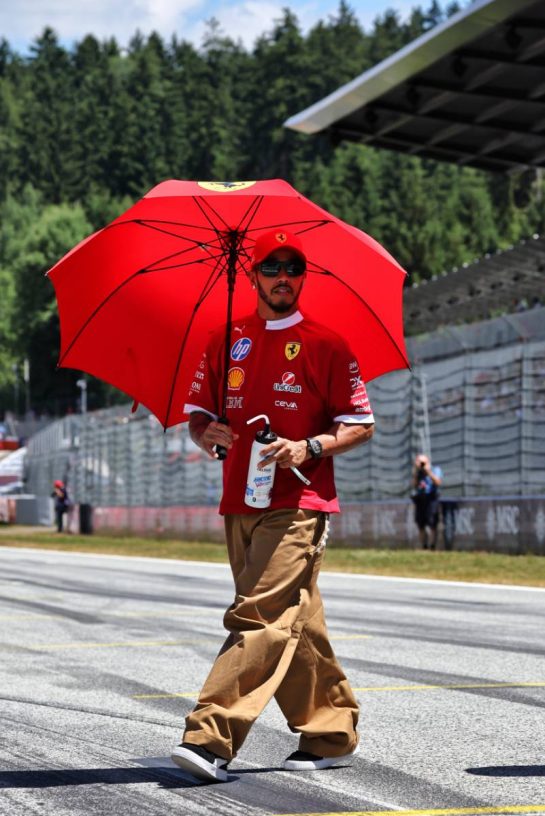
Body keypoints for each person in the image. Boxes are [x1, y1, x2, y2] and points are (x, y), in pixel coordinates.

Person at [171, 229, 375, 782]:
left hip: (300, 500)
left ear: (302, 277)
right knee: (295, 619)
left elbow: (360, 424)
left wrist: (309, 446)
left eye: (294, 268)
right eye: (271, 267)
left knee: (257, 614)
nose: (284, 276)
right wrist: (205, 431)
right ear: (253, 276)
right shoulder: (224, 339)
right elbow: (196, 417)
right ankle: (331, 730)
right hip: (239, 498)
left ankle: (210, 735)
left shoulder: (326, 343)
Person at [411, 454, 443, 550]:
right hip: (420, 498)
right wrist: (417, 472)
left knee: (432, 523)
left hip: (431, 498)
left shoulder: (435, 470)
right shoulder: (418, 473)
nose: (421, 465)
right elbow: (414, 485)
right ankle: (424, 546)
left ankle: (432, 546)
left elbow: (438, 482)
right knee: (421, 523)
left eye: (423, 462)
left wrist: (428, 472)